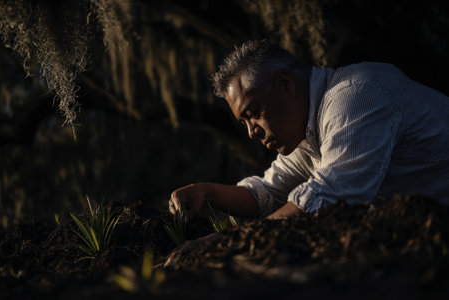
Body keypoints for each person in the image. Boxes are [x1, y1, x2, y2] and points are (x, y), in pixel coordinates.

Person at [165, 40, 449, 264]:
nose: (251, 131)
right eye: (244, 122)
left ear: (285, 84)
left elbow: (329, 199)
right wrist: (204, 192)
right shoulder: (307, 134)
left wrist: (220, 243)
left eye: (254, 113)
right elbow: (267, 194)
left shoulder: (357, 97)